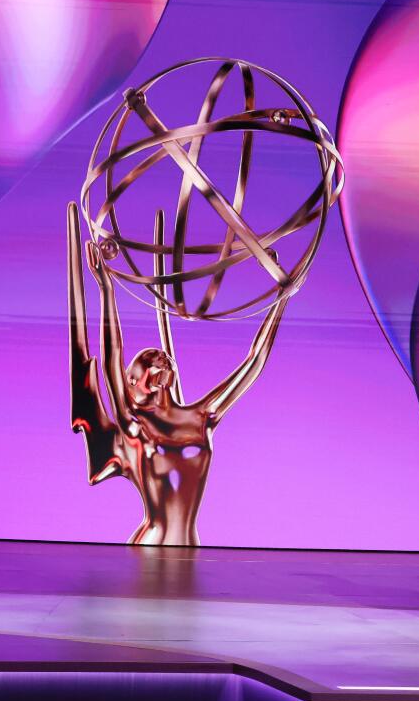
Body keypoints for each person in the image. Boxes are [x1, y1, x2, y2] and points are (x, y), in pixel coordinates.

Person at [67, 203, 289, 546]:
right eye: (139, 368)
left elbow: (255, 361)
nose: (154, 360)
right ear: (132, 388)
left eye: (157, 357)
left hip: (190, 543)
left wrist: (282, 295)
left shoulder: (202, 416)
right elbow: (112, 358)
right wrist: (106, 290)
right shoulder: (134, 426)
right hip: (149, 544)